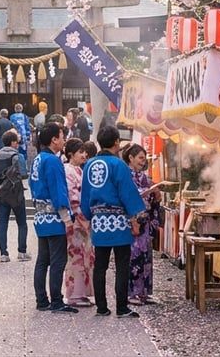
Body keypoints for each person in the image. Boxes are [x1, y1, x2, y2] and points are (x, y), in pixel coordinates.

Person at [81, 125, 147, 318]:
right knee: (122, 265)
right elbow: (127, 192)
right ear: (117, 142)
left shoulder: (90, 164)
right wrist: (137, 214)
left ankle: (101, 307)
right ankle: (121, 307)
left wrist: (88, 214)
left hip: (99, 221)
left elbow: (85, 193)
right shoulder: (119, 165)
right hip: (118, 221)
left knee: (100, 265)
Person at [30, 123, 77, 313]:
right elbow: (58, 190)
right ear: (54, 140)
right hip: (54, 216)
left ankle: (42, 299)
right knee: (58, 260)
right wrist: (66, 217)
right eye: (61, 136)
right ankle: (57, 300)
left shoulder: (38, 159)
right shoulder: (53, 161)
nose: (64, 140)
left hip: (41, 215)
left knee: (43, 260)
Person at [123, 143, 163, 305]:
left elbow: (151, 198)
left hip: (145, 222)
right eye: (140, 158)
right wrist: (148, 192)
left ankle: (144, 292)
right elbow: (128, 195)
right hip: (132, 222)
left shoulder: (145, 178)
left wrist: (156, 196)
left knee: (146, 257)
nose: (143, 161)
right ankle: (131, 293)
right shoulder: (125, 175)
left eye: (144, 158)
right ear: (130, 158)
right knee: (133, 257)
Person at [63, 140, 96, 306]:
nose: (84, 155)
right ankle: (75, 294)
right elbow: (73, 198)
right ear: (71, 154)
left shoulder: (78, 170)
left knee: (84, 255)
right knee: (76, 255)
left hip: (82, 219)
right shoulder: (68, 170)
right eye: (80, 152)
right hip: (77, 220)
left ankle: (81, 293)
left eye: (85, 151)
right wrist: (85, 218)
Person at [0, 130, 30, 262]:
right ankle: (22, 252)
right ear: (13, 142)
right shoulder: (17, 156)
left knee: (2, 223)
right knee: (22, 223)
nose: (18, 144)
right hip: (16, 193)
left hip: (1, 193)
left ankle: (3, 254)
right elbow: (23, 174)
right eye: (16, 142)